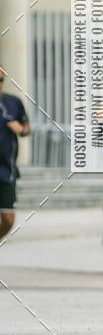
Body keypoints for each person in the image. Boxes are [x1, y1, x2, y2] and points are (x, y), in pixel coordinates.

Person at [0, 67, 30, 242]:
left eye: (1, 80)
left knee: (9, 219)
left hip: (6, 170)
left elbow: (27, 129)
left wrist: (21, 129)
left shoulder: (13, 102)